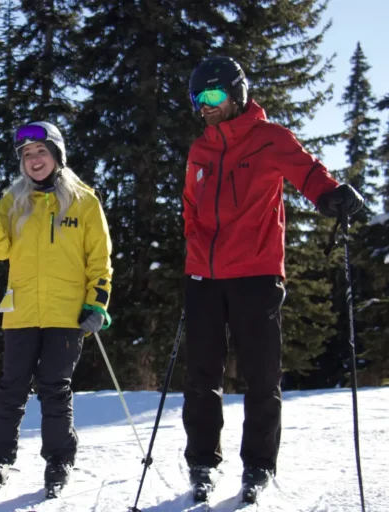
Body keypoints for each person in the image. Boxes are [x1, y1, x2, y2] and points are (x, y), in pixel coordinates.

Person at [182, 56, 364, 502]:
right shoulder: (200, 149)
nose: (205, 105)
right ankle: (202, 463)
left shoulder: (270, 138)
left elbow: (309, 173)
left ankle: (258, 465)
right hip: (204, 276)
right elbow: (190, 205)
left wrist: (331, 195)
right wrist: (194, 249)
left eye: (213, 94)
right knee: (201, 377)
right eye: (197, 98)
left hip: (256, 273)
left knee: (261, 377)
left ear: (237, 93)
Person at [0, 121, 113, 498]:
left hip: (67, 314)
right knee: (12, 387)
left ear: (57, 155)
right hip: (22, 311)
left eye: (41, 151)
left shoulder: (84, 201)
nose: (34, 159)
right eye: (27, 154)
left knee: (55, 388)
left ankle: (59, 461)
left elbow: (99, 260)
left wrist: (97, 302)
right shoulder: (13, 201)